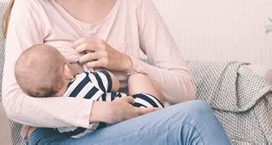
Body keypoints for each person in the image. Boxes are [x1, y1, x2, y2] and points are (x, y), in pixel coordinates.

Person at [1, 0, 230, 144]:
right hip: (60, 136)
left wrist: (126, 63)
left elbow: (186, 89)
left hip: (127, 127)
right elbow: (15, 103)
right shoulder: (32, 6)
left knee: (193, 113)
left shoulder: (134, 2)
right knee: (192, 120)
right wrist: (101, 110)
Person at [14, 44, 164, 138]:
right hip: (138, 112)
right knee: (137, 75)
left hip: (110, 134)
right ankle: (162, 110)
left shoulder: (58, 119)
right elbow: (114, 82)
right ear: (67, 70)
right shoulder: (84, 81)